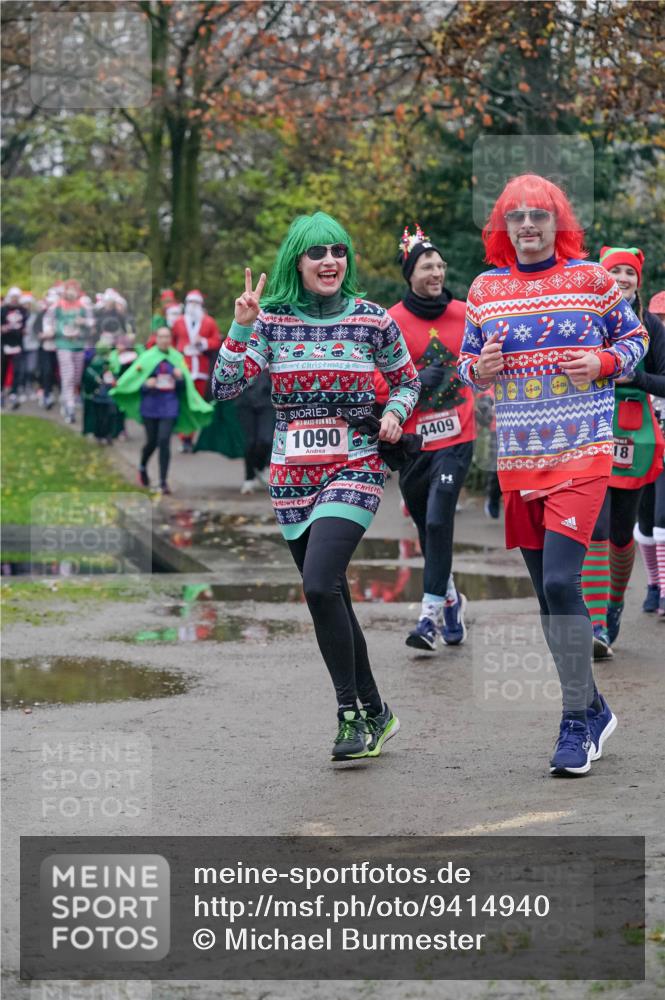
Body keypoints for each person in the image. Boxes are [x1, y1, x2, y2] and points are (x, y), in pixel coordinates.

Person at [457, 174, 648, 777]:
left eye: (538, 215)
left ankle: (574, 724)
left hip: (583, 450)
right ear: (503, 227)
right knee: (548, 595)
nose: (528, 226)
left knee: (564, 583)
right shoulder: (485, 289)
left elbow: (636, 339)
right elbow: (466, 363)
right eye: (516, 217)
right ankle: (593, 707)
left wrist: (603, 361)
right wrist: (479, 369)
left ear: (557, 223)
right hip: (519, 458)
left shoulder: (592, 280)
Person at [212, 211, 420, 762]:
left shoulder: (372, 320)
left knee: (319, 583)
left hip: (355, 465)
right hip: (291, 478)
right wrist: (241, 326)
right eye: (318, 253)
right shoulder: (273, 323)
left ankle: (349, 714)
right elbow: (224, 387)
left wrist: (395, 413)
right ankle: (377, 712)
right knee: (330, 595)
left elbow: (407, 381)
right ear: (297, 263)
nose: (331, 261)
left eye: (338, 251)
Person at [374, 224, 473, 649]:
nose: (436, 273)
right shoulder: (391, 321)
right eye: (427, 266)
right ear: (410, 273)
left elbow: (483, 362)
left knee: (438, 520)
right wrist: (415, 380)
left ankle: (427, 620)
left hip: (456, 435)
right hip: (412, 442)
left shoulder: (466, 313)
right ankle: (452, 600)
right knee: (426, 529)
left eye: (440, 266)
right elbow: (375, 381)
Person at [580, 248, 665, 654]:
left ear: (637, 280)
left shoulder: (651, 326)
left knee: (619, 532)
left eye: (629, 272)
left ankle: (613, 607)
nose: (622, 278)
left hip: (635, 436)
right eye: (614, 270)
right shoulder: (586, 319)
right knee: (595, 527)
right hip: (591, 429)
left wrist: (635, 378)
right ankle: (596, 624)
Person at [111, 326, 213, 495]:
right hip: (150, 407)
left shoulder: (177, 358)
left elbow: (185, 387)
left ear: (171, 339)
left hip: (169, 406)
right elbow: (135, 381)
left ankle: (163, 481)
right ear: (156, 339)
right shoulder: (147, 357)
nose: (164, 340)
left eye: (167, 337)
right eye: (161, 337)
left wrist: (179, 378)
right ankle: (142, 466)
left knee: (164, 440)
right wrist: (146, 384)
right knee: (152, 442)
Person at [171, 290, 222, 452]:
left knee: (196, 403)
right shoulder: (178, 322)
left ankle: (190, 438)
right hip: (183, 367)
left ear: (201, 305)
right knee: (184, 402)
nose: (193, 306)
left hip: (200, 368)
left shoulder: (209, 322)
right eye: (190, 303)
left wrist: (204, 342)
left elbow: (216, 341)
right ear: (186, 304)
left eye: (196, 303)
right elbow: (171, 342)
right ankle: (183, 436)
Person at [54, 279, 90, 423]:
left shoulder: (83, 307)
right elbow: (50, 323)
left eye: (74, 289)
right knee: (68, 375)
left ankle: (66, 399)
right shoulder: (58, 306)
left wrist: (84, 323)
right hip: (63, 345)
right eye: (69, 289)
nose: (72, 292)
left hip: (78, 345)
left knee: (76, 377)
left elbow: (91, 325)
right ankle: (70, 407)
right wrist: (63, 331)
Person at [235, 368, 275, 494]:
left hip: (267, 400)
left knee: (266, 440)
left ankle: (259, 467)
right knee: (250, 442)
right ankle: (249, 478)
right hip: (245, 402)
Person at [81, 340, 121, 445]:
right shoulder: (103, 363)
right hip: (103, 395)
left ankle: (102, 435)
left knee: (102, 416)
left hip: (101, 395)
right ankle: (104, 435)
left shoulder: (99, 363)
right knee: (105, 416)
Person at [1, 286, 29, 409]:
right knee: (2, 369)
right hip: (4, 343)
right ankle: (1, 392)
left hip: (18, 343)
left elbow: (26, 325)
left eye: (16, 297)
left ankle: (14, 393)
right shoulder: (3, 310)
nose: (14, 299)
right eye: (13, 297)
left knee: (18, 369)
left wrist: (25, 330)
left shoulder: (23, 310)